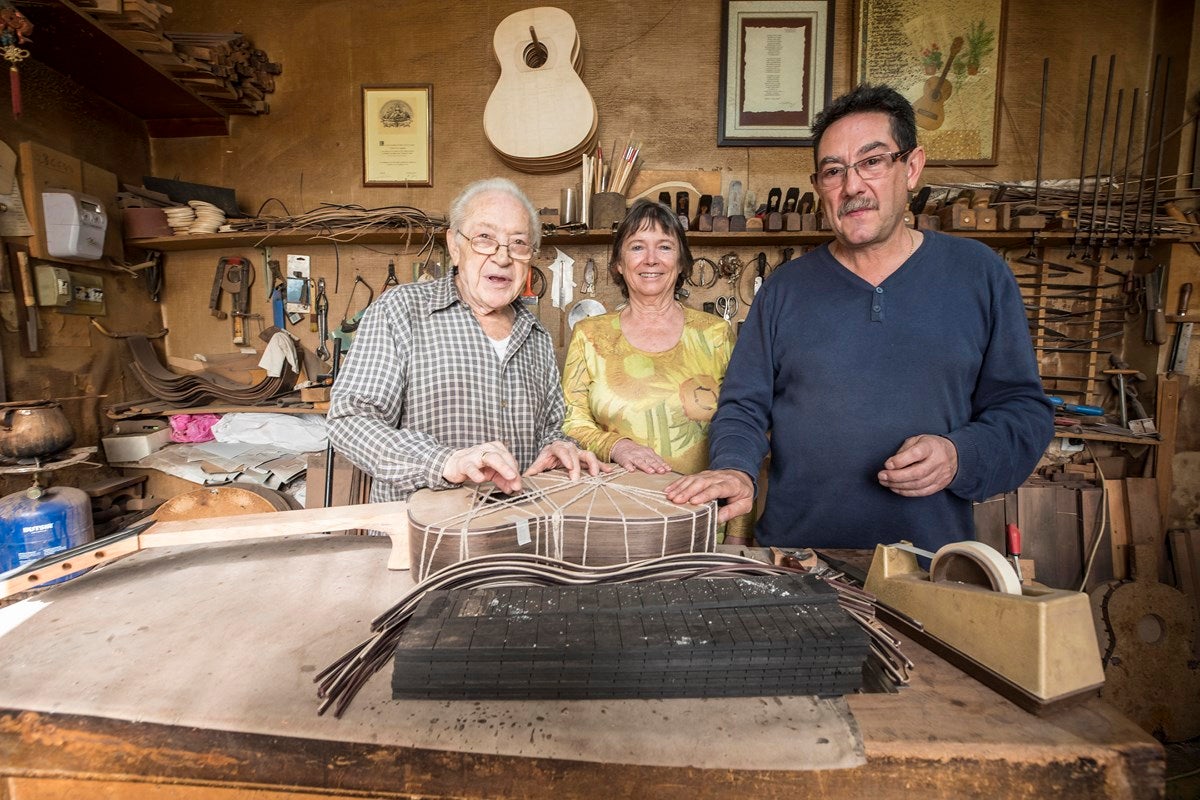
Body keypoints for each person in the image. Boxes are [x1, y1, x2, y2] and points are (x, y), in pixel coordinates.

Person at [665, 84, 1054, 553]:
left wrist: (959, 455)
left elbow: (1023, 412)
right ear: (818, 187)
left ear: (911, 168)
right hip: (795, 558)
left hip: (930, 562)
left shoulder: (979, 275)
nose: (852, 186)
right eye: (833, 171)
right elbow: (743, 406)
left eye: (872, 161)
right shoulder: (785, 290)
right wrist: (735, 466)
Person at [327, 177, 603, 502]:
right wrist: (444, 461)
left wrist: (559, 446)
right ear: (455, 247)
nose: (503, 257)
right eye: (485, 238)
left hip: (513, 529)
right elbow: (349, 421)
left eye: (518, 243)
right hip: (424, 538)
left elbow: (551, 428)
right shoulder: (400, 311)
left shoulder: (536, 336)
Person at [561, 198, 735, 475]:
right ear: (619, 262)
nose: (651, 259)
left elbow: (741, 422)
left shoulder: (715, 335)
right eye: (637, 247)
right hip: (614, 507)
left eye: (664, 247)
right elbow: (572, 422)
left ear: (681, 263)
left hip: (700, 507)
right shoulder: (590, 335)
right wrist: (616, 446)